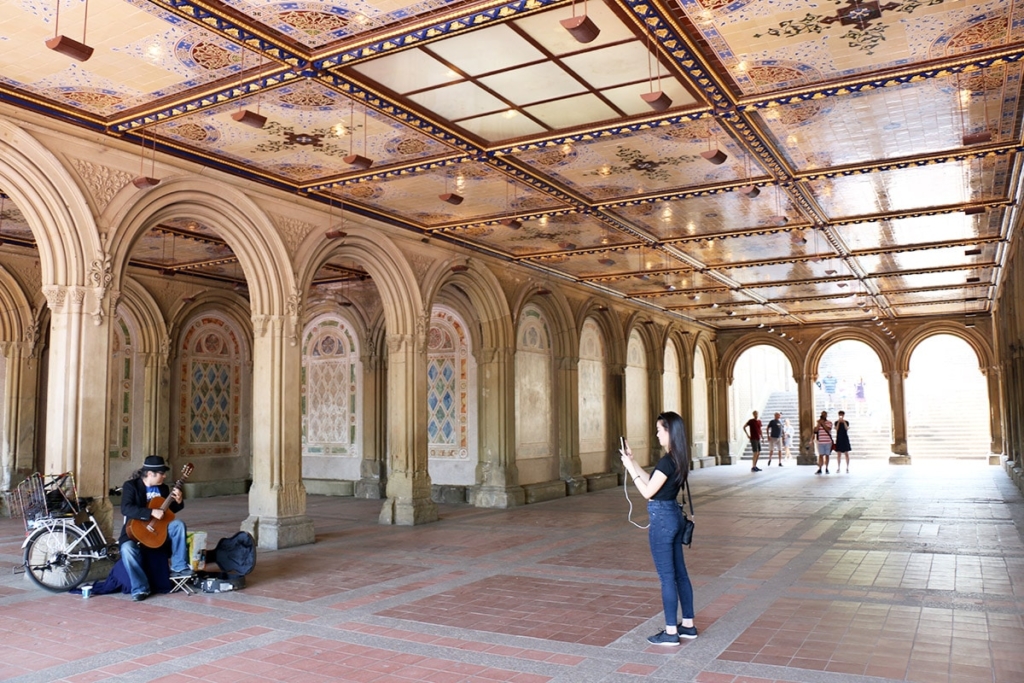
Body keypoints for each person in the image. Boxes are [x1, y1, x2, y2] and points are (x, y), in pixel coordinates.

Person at [619, 412, 696, 646]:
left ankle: (671, 631)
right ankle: (688, 626)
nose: (657, 434)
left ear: (670, 431)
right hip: (673, 516)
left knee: (666, 577)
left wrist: (628, 469)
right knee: (680, 573)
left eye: (659, 429)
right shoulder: (678, 458)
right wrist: (632, 462)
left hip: (662, 520)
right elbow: (653, 481)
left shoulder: (666, 461)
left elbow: (647, 491)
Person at [119, 456, 192, 601]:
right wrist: (150, 512)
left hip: (158, 532)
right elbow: (126, 508)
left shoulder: (163, 488)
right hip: (134, 531)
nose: (164, 476)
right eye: (161, 473)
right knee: (127, 549)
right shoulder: (131, 486)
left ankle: (179, 567)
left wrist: (178, 501)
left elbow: (169, 512)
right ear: (150, 474)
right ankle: (140, 588)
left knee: (178, 525)